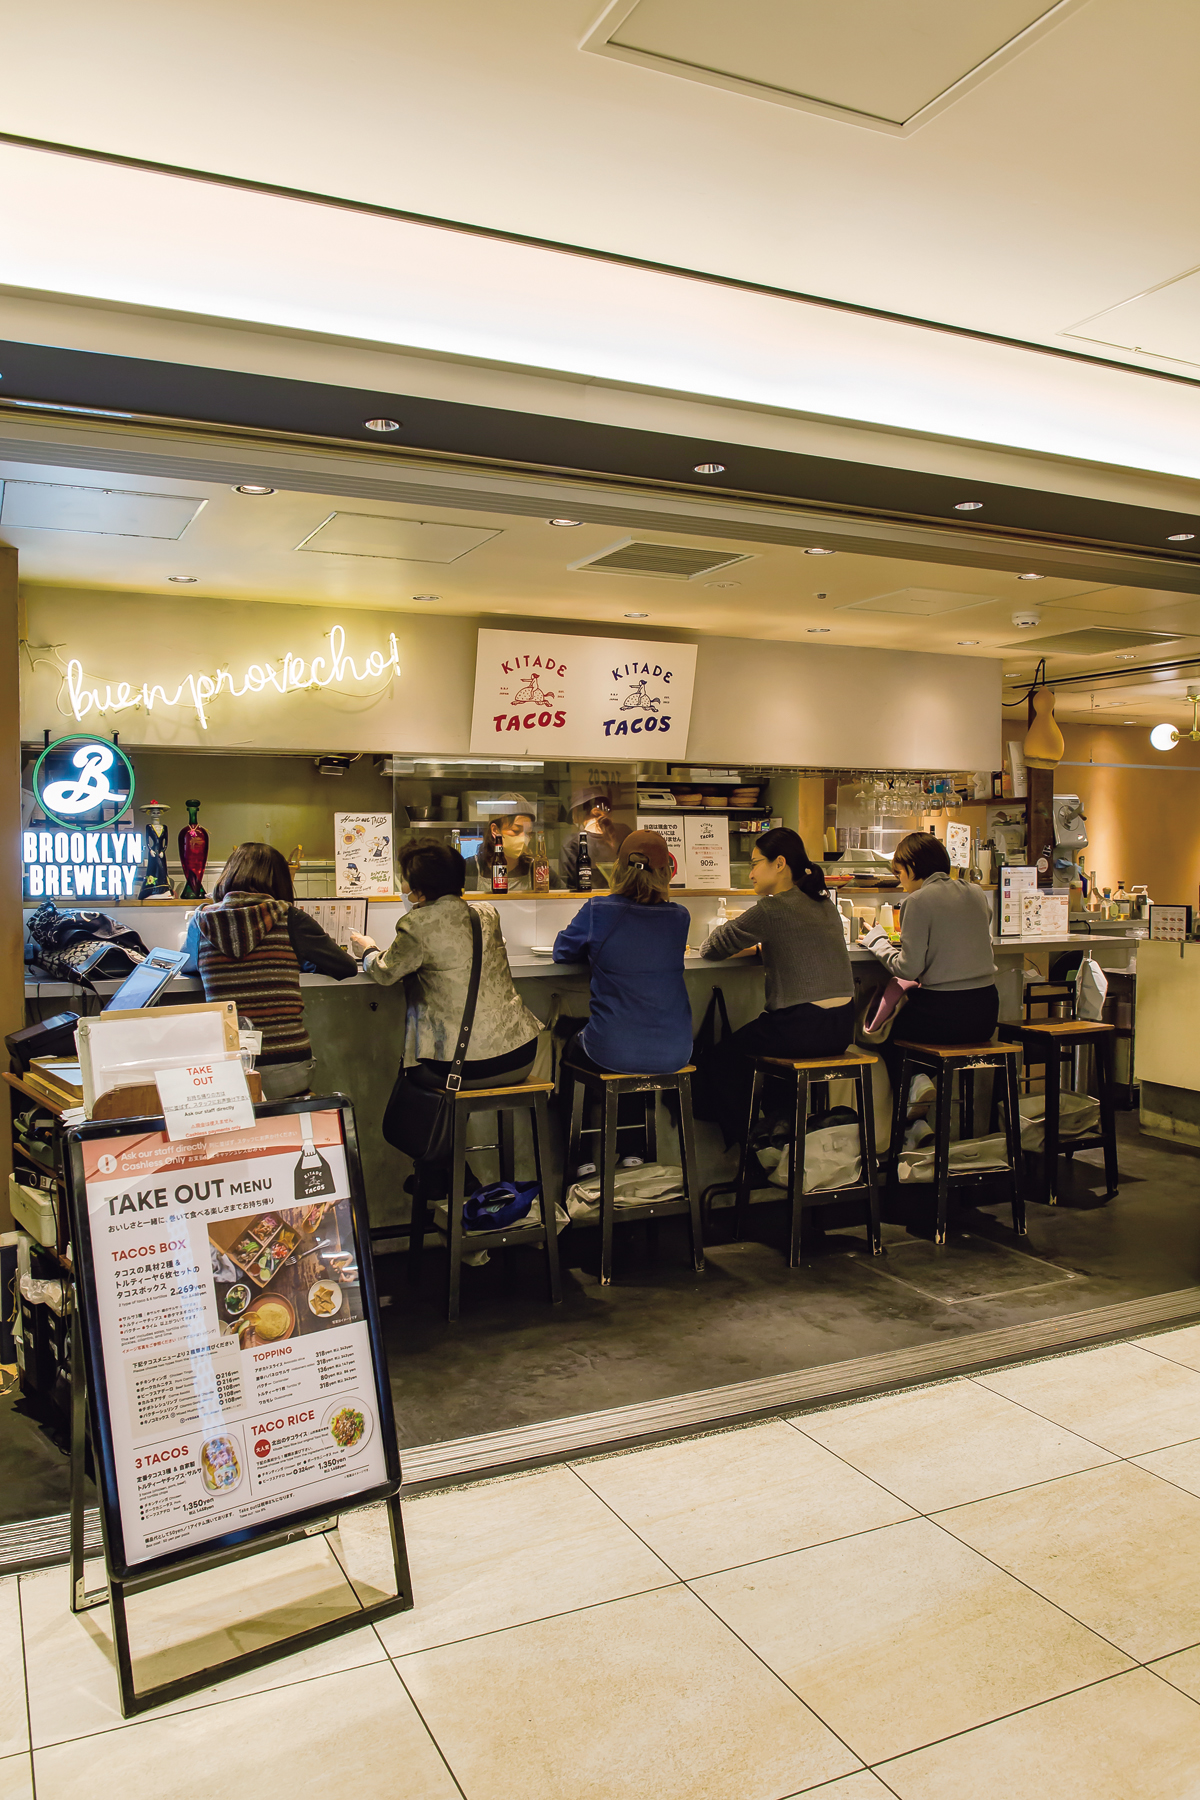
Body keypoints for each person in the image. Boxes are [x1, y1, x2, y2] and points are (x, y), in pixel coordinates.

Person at [349, 839, 547, 1193]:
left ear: (418, 889)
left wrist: (367, 951)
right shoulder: (486, 913)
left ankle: (442, 1171)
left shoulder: (416, 924)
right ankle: (450, 1175)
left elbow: (385, 972)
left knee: (413, 1072)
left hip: (465, 1068)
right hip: (519, 1055)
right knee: (429, 1068)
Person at [700, 827, 855, 1147]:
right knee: (772, 1056)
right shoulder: (825, 904)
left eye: (755, 864)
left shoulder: (772, 909)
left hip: (802, 1027)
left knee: (721, 1059)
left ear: (780, 863)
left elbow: (710, 949)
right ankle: (781, 1130)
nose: (751, 874)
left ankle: (748, 1147)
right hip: (841, 1028)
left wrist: (756, 942)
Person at [183, 842, 357, 1101]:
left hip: (229, 1068)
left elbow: (187, 966)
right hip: (287, 1067)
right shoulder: (290, 918)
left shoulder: (201, 921)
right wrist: (297, 958)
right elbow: (346, 966)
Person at [859, 832, 998, 1085]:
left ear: (913, 866)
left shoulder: (917, 901)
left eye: (899, 873)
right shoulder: (977, 893)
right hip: (985, 1012)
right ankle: (921, 1084)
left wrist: (877, 942)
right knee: (913, 1027)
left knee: (884, 1033)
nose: (901, 882)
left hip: (944, 1014)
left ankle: (913, 1093)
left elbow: (908, 969)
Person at [552, 830, 692, 1075]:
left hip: (612, 1051)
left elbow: (562, 952)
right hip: (677, 1052)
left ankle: (574, 1103)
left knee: (567, 1037)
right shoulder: (680, 917)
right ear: (666, 873)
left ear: (618, 869)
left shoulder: (598, 910)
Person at [560, 785, 630, 890]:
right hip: (622, 897)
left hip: (587, 899)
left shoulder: (572, 843)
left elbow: (568, 884)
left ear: (576, 812)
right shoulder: (626, 833)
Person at [473, 797, 547, 892]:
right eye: (515, 830)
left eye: (528, 833)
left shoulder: (539, 869)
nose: (523, 839)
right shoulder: (471, 867)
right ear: (495, 830)